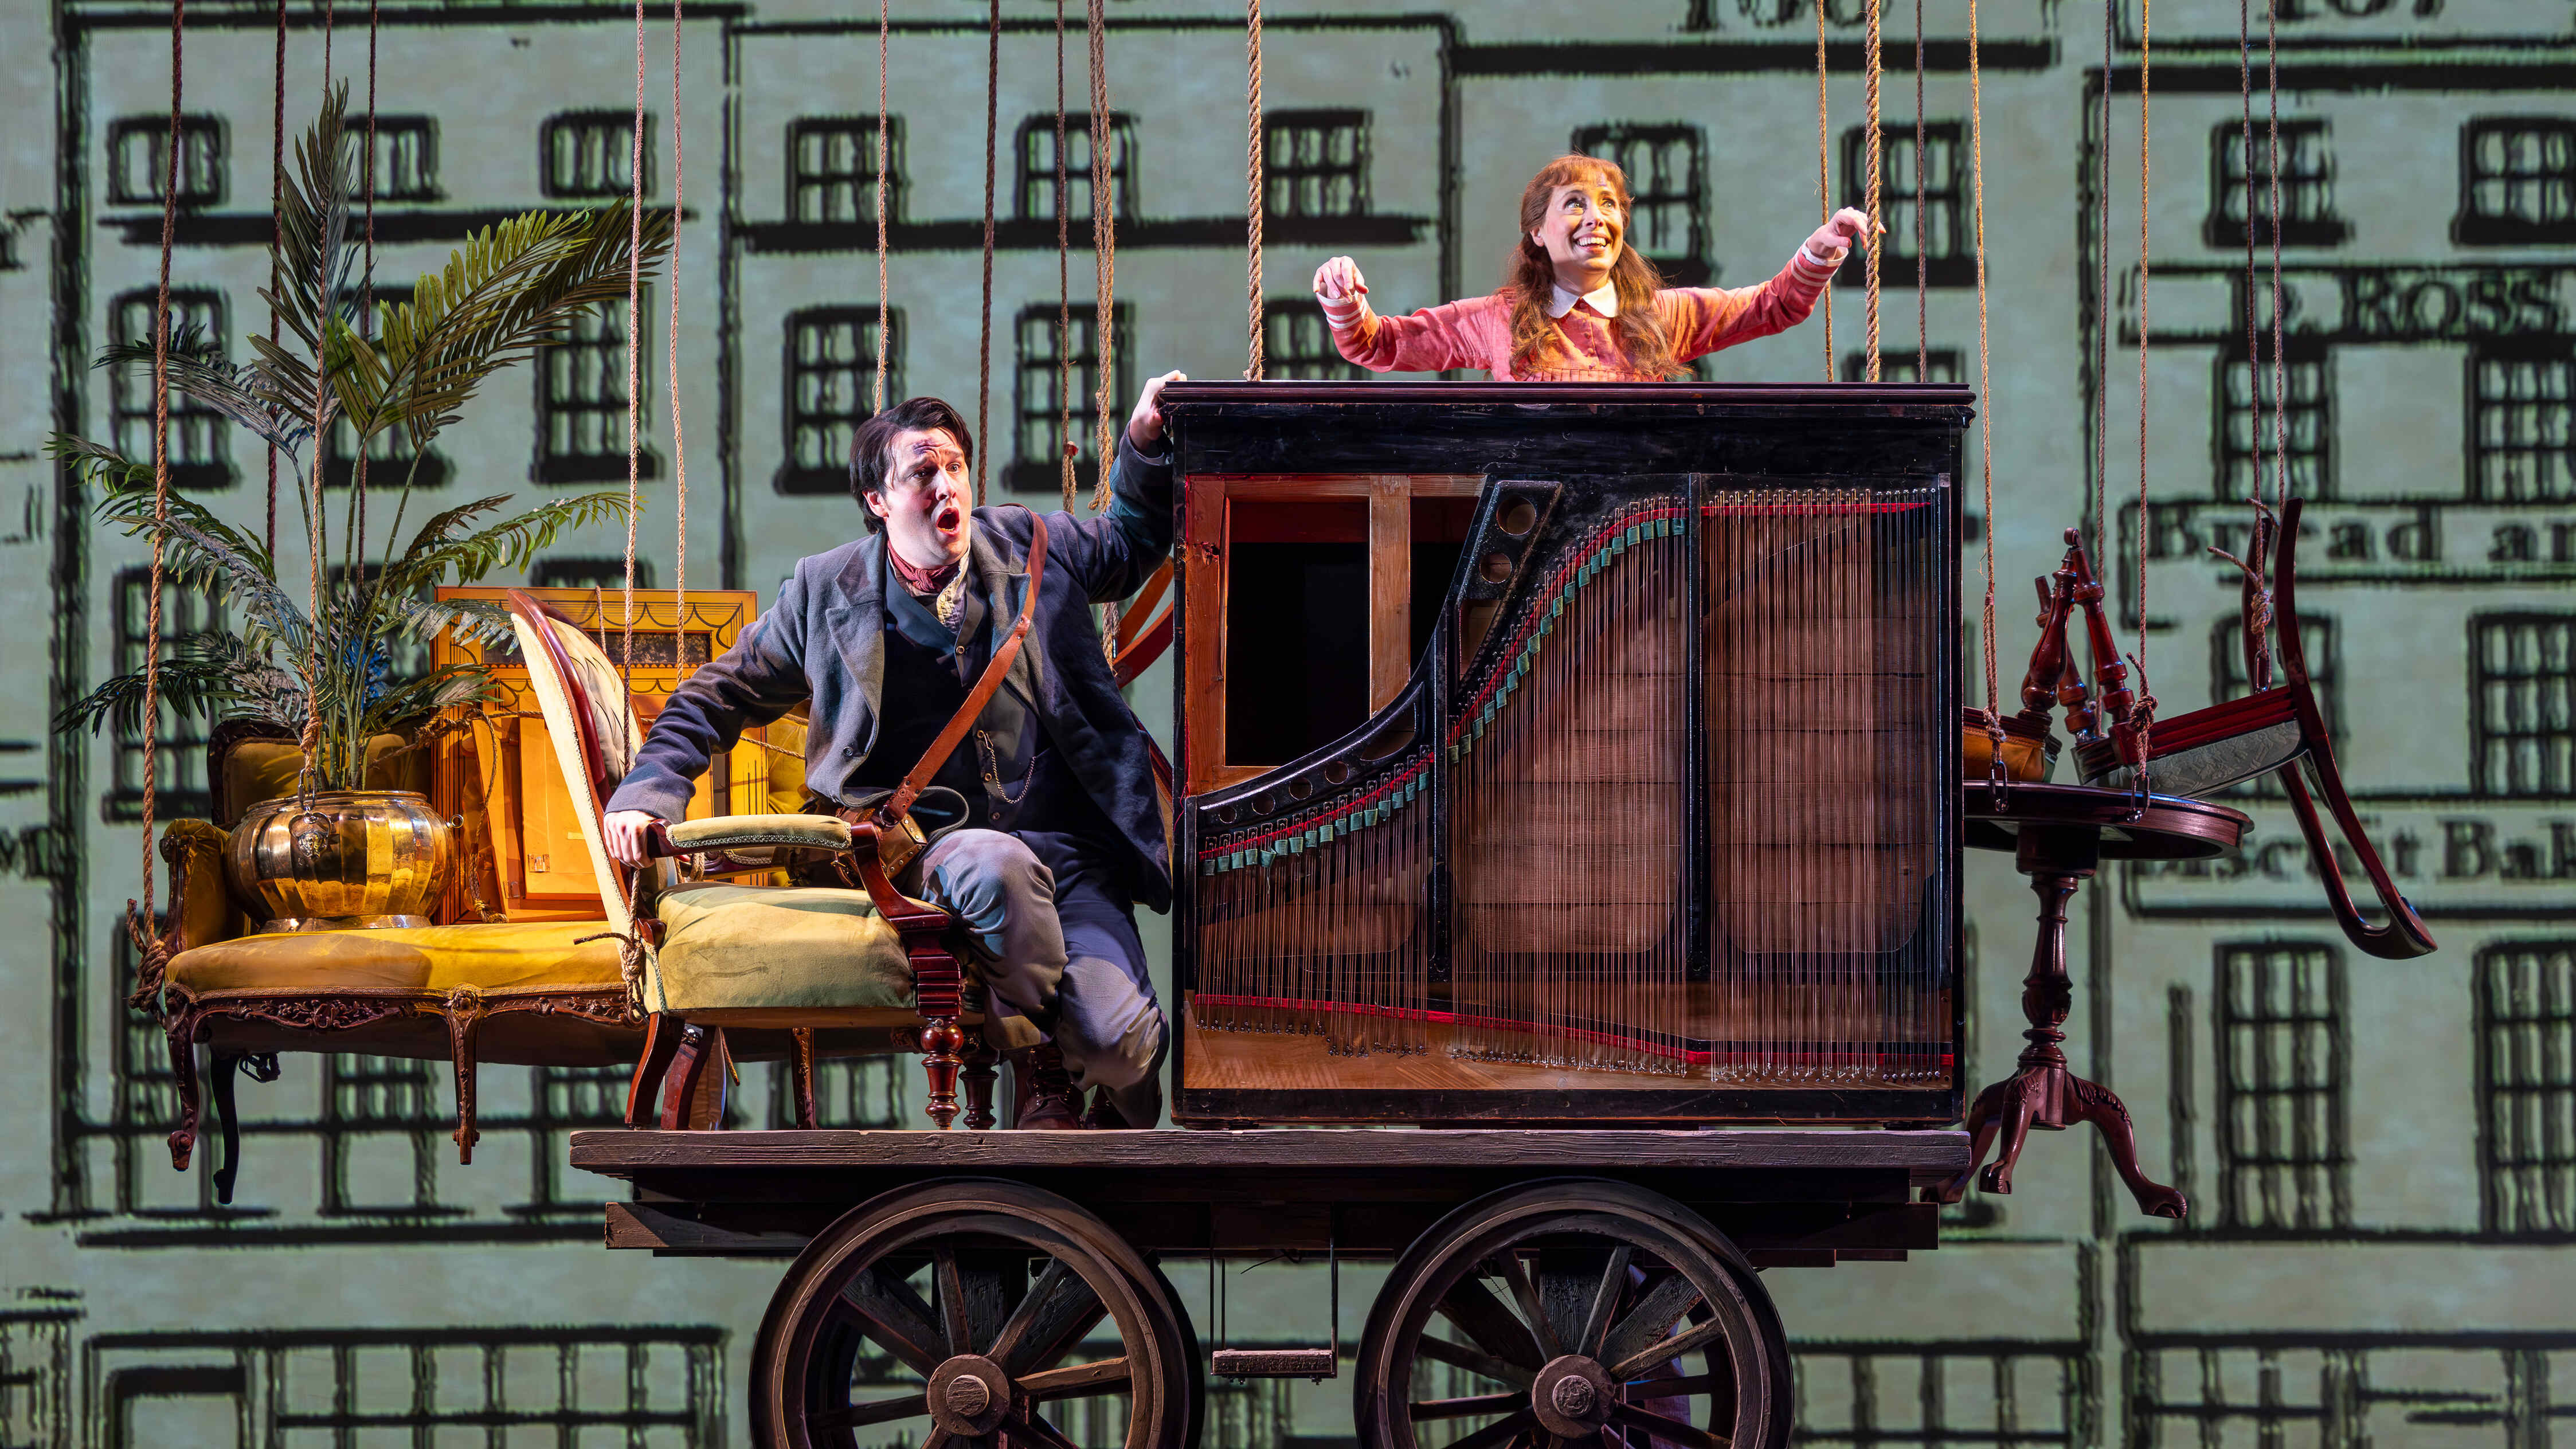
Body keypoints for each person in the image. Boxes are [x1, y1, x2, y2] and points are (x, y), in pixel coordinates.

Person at [598, 373, 1187, 1129]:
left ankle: (1111, 1094)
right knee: (993, 867)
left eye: (954, 468)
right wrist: (650, 789)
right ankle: (1039, 1060)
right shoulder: (824, 591)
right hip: (930, 853)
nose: (946, 486)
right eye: (921, 473)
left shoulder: (1041, 546)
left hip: (1070, 851)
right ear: (877, 500)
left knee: (1122, 1046)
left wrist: (1141, 440)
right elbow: (719, 693)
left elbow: (1137, 537)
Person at [1312, 153, 1873, 381]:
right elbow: (1379, 345)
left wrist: (1819, 250)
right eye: (1575, 203)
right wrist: (1344, 301)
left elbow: (1771, 307)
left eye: (1608, 204)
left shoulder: (1661, 315)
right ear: (1537, 231)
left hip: (1641, 542)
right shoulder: (1497, 319)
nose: (1596, 217)